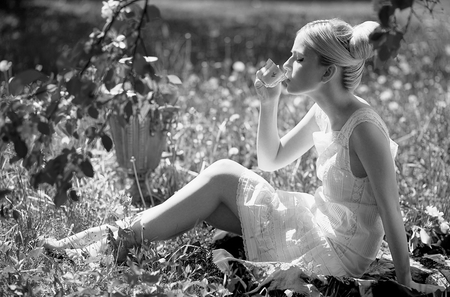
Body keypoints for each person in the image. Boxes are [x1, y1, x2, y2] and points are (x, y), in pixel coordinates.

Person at [42, 18, 440, 294]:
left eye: (299, 59)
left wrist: (403, 286)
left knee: (219, 177)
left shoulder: (363, 127)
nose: (286, 65)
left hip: (339, 253)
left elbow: (392, 211)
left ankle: (113, 241)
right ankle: (114, 239)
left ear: (327, 73)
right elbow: (272, 159)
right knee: (212, 199)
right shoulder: (325, 109)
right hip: (317, 220)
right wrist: (269, 104)